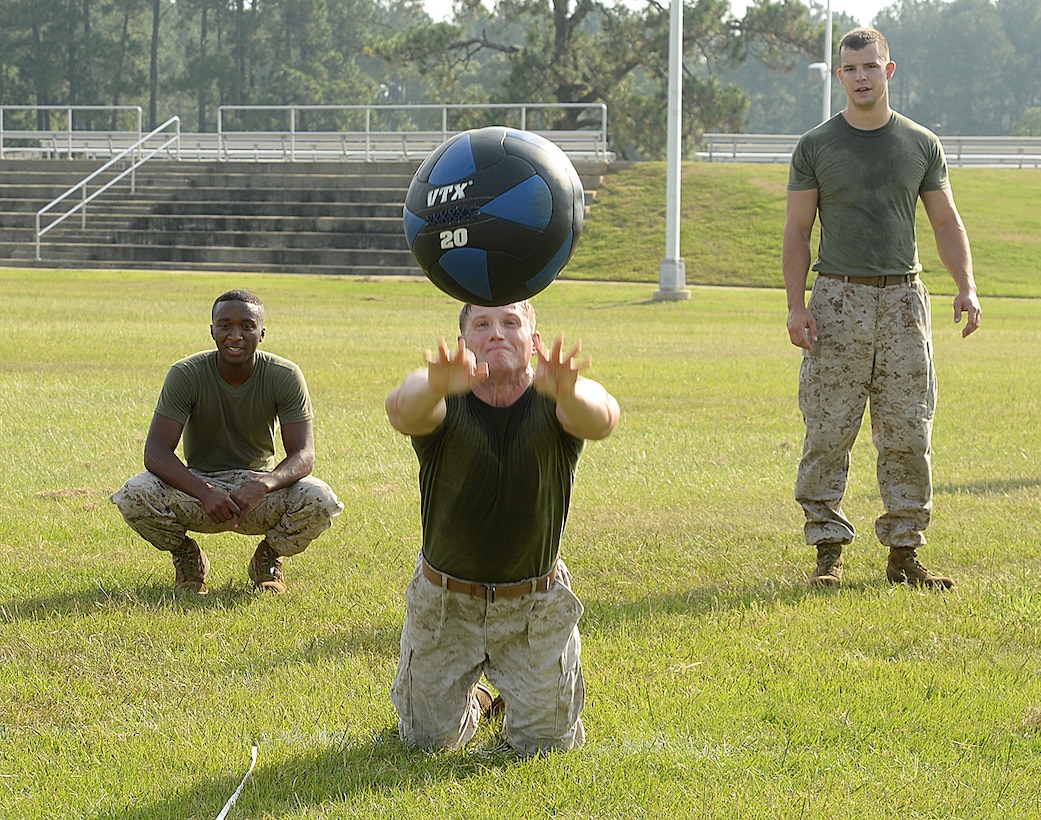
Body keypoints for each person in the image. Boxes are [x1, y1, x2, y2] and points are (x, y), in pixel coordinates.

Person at [783, 27, 981, 590]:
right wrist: (797, 307)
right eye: (851, 68)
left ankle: (905, 554)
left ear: (888, 71)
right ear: (840, 75)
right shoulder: (816, 145)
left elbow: (946, 222)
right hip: (837, 299)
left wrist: (965, 285)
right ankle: (828, 551)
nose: (861, 76)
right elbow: (798, 231)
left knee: (908, 430)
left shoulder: (919, 143)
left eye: (871, 66)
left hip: (902, 303)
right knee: (828, 428)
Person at [385, 300, 619, 755]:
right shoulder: (438, 397)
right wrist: (436, 382)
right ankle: (476, 698)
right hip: (446, 603)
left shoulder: (559, 397)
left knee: (546, 746)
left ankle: (522, 691)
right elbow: (402, 410)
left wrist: (568, 392)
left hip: (533, 606)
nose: (496, 333)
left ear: (533, 342)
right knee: (427, 742)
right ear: (464, 344)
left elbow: (603, 417)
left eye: (511, 323)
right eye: (482, 324)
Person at [111, 289, 342, 595]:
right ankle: (187, 557)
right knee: (133, 494)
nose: (235, 335)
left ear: (262, 333)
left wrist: (263, 485)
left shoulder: (285, 375)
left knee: (320, 499)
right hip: (199, 486)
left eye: (247, 326)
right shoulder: (186, 374)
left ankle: (268, 559)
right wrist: (205, 492)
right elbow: (155, 453)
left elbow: (303, 454)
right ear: (212, 331)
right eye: (225, 325)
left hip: (257, 489)